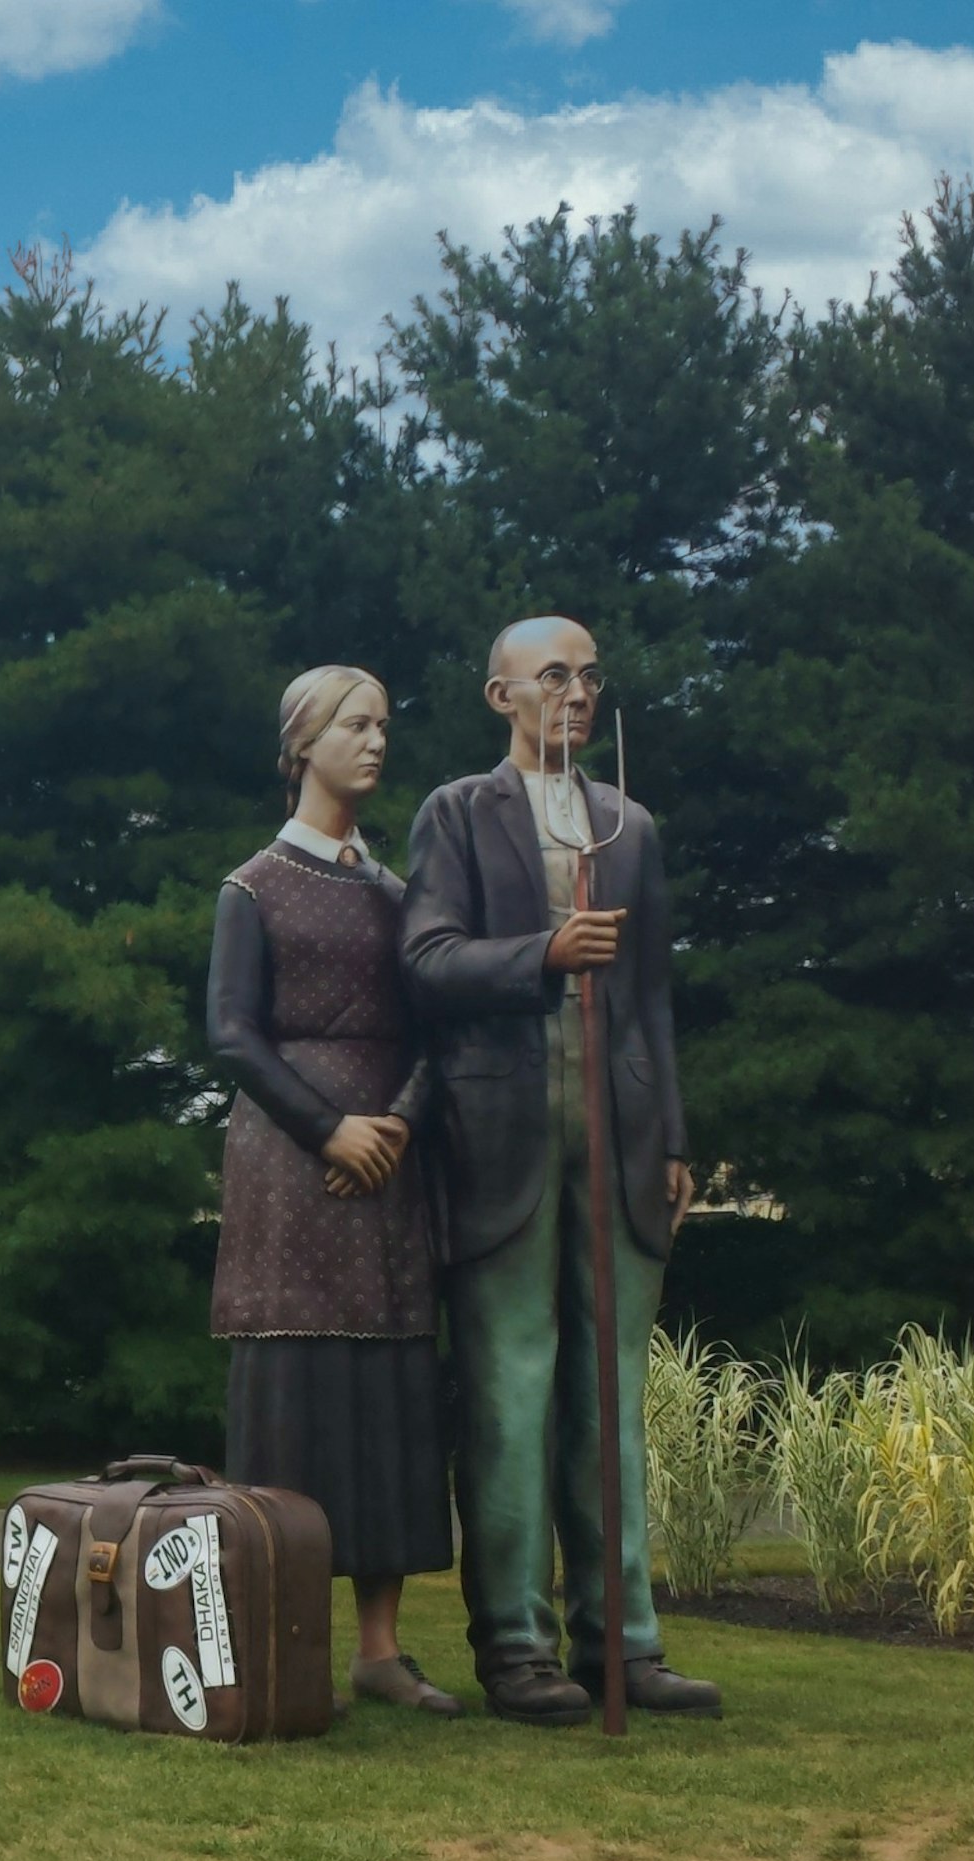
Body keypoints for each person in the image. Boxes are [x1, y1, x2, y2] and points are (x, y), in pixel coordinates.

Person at [400, 616, 721, 1723]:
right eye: (552, 678)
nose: (574, 695)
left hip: (621, 1136)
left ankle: (623, 1642)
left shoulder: (630, 824)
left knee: (611, 1398)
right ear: (503, 697)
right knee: (510, 1389)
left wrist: (674, 1136)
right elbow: (426, 961)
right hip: (502, 1138)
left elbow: (653, 998)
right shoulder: (455, 811)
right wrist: (542, 951)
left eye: (588, 678)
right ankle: (517, 1648)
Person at [205, 664, 462, 1717]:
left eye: (384, 725)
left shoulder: (406, 901)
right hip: (286, 1167)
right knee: (294, 1393)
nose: (376, 741)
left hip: (388, 1169)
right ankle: (280, 1637)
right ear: (302, 742)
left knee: (390, 1393)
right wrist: (327, 1127)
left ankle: (381, 1648)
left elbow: (440, 1031)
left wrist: (397, 1121)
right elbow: (230, 1032)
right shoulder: (252, 887)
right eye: (355, 724)